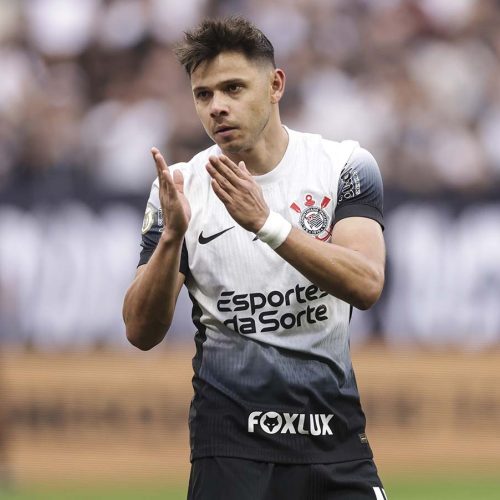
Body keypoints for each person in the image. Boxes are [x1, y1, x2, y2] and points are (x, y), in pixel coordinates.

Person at [123, 16, 387, 500]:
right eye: (203, 95)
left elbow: (367, 283)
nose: (217, 107)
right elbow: (140, 332)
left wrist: (267, 224)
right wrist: (171, 240)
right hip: (230, 452)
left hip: (334, 440)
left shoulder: (344, 165)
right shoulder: (182, 187)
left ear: (275, 85)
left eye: (233, 88)